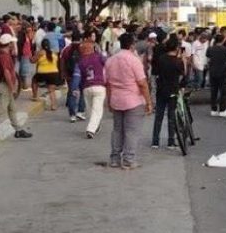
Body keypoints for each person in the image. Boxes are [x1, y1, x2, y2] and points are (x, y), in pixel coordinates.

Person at [105, 32, 152, 169]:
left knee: (117, 130)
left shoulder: (110, 60)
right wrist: (149, 102)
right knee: (131, 131)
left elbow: (108, 84)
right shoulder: (133, 60)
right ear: (132, 45)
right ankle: (128, 160)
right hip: (133, 100)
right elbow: (142, 83)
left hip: (116, 99)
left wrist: (109, 101)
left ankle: (114, 159)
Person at [151, 36, 185, 149]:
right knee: (171, 116)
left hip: (161, 90)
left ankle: (155, 141)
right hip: (173, 91)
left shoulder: (161, 59)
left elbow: (155, 72)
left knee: (159, 116)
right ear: (176, 48)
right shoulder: (178, 61)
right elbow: (182, 77)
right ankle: (171, 142)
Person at [0, 33, 32, 138]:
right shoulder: (4, 56)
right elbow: (6, 72)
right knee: (2, 109)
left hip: (6, 85)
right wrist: (12, 87)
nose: (13, 44)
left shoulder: (5, 55)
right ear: (8, 44)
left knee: (12, 108)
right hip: (4, 85)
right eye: (12, 43)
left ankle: (18, 130)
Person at [73, 37, 107, 138]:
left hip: (86, 87)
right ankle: (91, 129)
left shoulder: (81, 62)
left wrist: (76, 88)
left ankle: (95, 126)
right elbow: (107, 64)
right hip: (99, 85)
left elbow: (78, 77)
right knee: (97, 110)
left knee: (90, 109)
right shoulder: (99, 56)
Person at [60, 32, 86, 123]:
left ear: (71, 39)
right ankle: (80, 111)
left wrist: (63, 74)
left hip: (70, 74)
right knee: (82, 92)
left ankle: (72, 114)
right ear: (81, 39)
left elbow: (62, 62)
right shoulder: (83, 49)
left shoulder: (66, 49)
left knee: (72, 92)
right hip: (82, 75)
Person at [206, 33, 226, 117]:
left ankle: (213, 110)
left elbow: (208, 59)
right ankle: (222, 110)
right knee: (223, 92)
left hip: (212, 72)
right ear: (223, 40)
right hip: (223, 73)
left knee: (214, 92)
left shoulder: (210, 49)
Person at [31, 38, 61, 110]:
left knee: (34, 81)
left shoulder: (40, 53)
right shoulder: (53, 53)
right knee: (51, 90)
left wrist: (31, 57)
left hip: (43, 73)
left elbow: (33, 60)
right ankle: (53, 106)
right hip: (54, 73)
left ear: (42, 45)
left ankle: (35, 96)